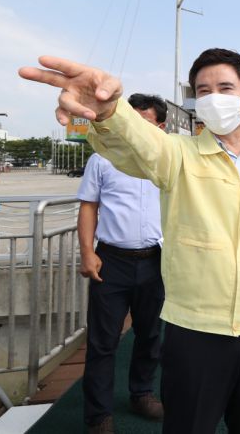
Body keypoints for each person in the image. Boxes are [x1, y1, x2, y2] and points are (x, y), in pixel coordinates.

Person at [19, 49, 240, 434]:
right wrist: (111, 109)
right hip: (195, 330)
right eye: (203, 90)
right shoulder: (179, 154)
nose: (214, 96)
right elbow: (141, 143)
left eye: (225, 87)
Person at [77, 93, 168, 434]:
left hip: (155, 261)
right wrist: (88, 252)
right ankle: (98, 415)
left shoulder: (167, 161)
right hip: (111, 260)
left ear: (160, 127)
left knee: (150, 334)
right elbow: (89, 206)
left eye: (144, 124)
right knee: (103, 341)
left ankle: (142, 393)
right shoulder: (102, 158)